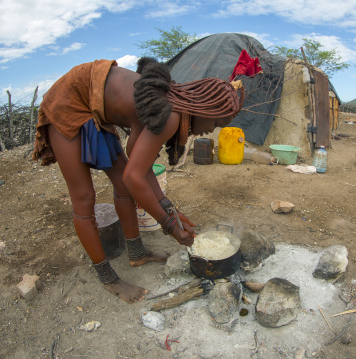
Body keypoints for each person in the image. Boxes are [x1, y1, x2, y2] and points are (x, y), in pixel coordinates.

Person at [32, 58, 244, 303]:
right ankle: (108, 278)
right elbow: (134, 177)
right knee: (84, 198)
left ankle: (137, 252)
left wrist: (169, 208)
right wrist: (170, 226)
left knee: (122, 186)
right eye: (216, 123)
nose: (211, 131)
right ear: (205, 107)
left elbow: (139, 170)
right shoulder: (170, 114)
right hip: (68, 102)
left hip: (92, 103)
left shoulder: (166, 106)